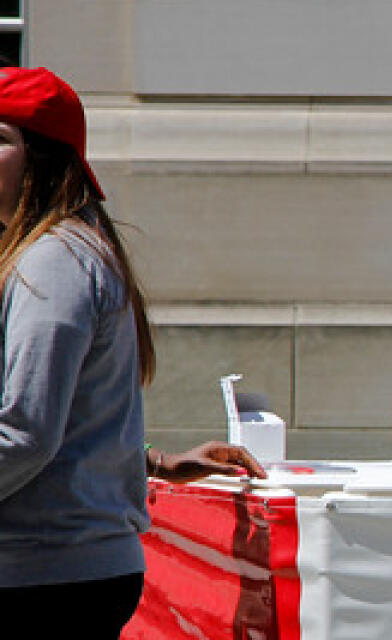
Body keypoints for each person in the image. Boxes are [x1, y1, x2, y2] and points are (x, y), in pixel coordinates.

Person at [0, 67, 266, 637]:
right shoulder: (69, 249)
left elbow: (25, 434)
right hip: (61, 570)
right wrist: (151, 461)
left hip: (45, 575)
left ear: (44, 158)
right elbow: (73, 416)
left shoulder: (54, 259)